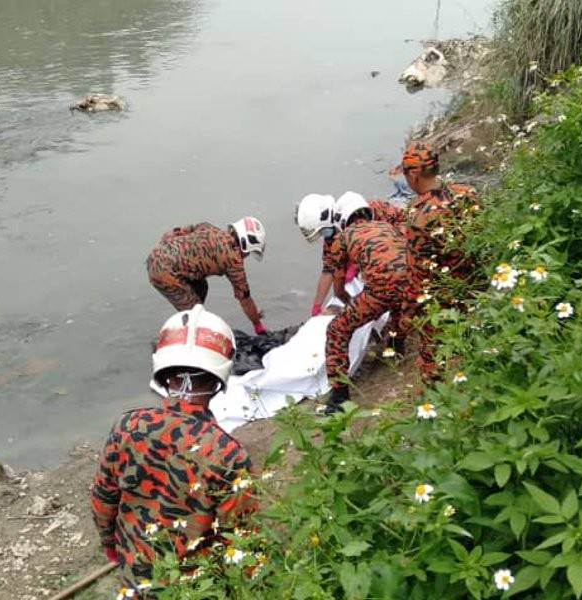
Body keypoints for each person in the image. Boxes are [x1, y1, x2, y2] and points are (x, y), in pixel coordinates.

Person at [91, 305, 256, 595]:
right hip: (196, 588)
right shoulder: (227, 454)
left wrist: (111, 546)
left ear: (163, 368)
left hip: (136, 575)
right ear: (222, 371)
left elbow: (103, 501)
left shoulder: (127, 426)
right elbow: (243, 539)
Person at [322, 193, 414, 413]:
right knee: (398, 304)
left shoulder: (342, 238)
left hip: (380, 290)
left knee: (337, 330)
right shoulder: (386, 226)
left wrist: (351, 304)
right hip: (412, 284)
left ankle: (339, 396)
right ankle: (396, 345)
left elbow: (338, 286)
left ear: (343, 219)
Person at [397, 141, 477, 379]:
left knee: (433, 363)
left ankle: (438, 404)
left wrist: (408, 314)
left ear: (414, 174)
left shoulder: (420, 215)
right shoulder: (467, 194)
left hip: (442, 300)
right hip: (475, 289)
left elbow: (417, 275)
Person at [146, 217, 268, 335]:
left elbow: (174, 233)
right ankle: (180, 336)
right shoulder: (234, 260)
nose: (246, 256)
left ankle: (186, 324)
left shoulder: (208, 227)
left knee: (201, 286)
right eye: (249, 252)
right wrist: (257, 325)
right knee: (197, 316)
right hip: (165, 273)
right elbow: (245, 299)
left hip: (156, 256)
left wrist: (164, 253)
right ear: (245, 243)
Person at [295, 192, 407, 317]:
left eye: (325, 231)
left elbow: (404, 219)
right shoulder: (333, 237)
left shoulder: (374, 210)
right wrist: (317, 306)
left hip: (395, 255)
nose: (328, 235)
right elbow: (328, 270)